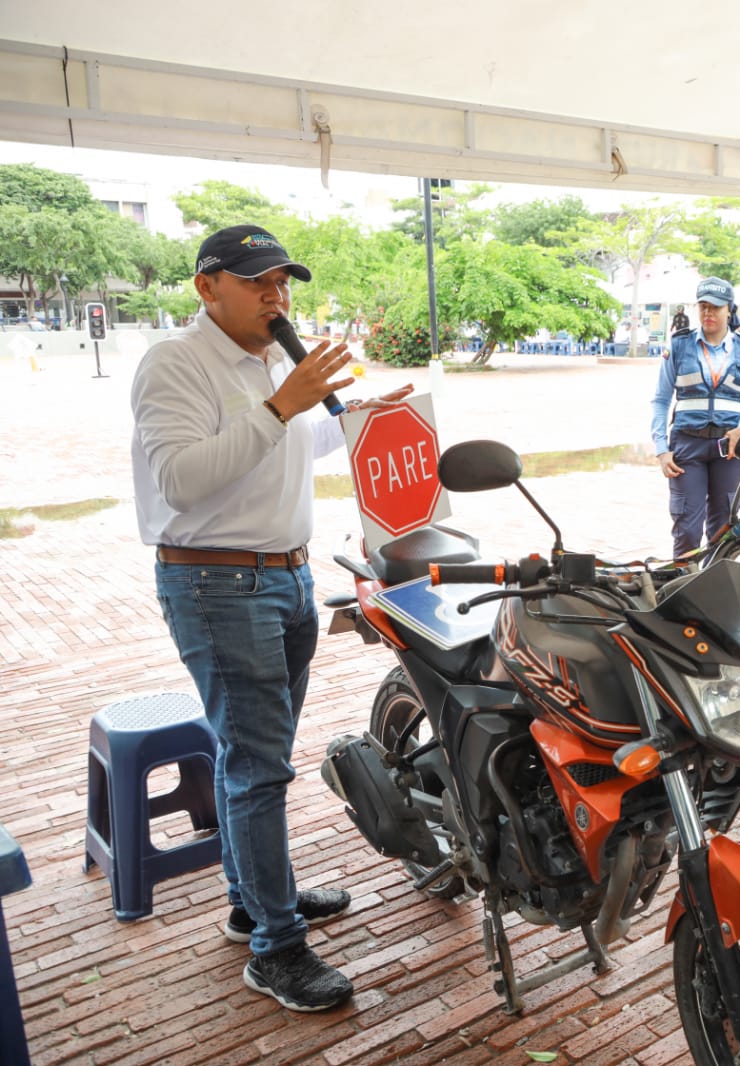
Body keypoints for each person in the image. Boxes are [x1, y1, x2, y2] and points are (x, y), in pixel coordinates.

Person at [131, 224, 415, 1012]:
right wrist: (280, 402)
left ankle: (253, 898)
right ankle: (276, 948)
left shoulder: (267, 363)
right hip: (217, 585)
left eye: (282, 282)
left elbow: (294, 440)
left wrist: (353, 412)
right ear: (206, 286)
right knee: (259, 766)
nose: (275, 296)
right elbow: (183, 480)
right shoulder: (174, 364)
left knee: (253, 756)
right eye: (257, 282)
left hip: (286, 578)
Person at [649, 277, 740, 557]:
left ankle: (714, 591)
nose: (708, 313)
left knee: (724, 527)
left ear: (729, 310)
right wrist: (662, 450)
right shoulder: (678, 346)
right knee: (687, 527)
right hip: (686, 446)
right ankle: (681, 589)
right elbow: (661, 400)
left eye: (715, 307)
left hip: (730, 448)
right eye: (703, 306)